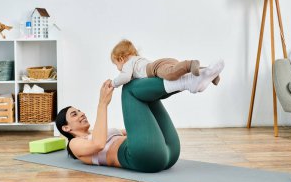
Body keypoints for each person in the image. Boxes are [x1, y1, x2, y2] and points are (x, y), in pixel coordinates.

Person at [55, 60, 224, 173]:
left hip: (170, 151)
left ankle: (191, 79)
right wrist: (102, 103)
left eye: (79, 110)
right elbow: (98, 144)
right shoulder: (75, 144)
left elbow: (134, 130)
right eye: (74, 114)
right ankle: (187, 82)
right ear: (66, 128)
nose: (81, 113)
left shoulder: (98, 131)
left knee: (141, 92)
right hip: (144, 157)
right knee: (129, 88)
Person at [110, 39, 220, 88]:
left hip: (155, 68)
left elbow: (125, 77)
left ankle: (189, 64)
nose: (118, 69)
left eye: (116, 65)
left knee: (170, 75)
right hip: (163, 63)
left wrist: (113, 83)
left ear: (121, 59)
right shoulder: (137, 59)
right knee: (181, 74)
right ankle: (208, 71)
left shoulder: (128, 63)